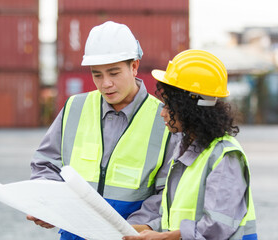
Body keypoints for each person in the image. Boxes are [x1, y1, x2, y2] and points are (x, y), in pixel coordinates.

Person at [27, 21, 172, 240]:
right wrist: (50, 206)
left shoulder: (164, 119)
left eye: (114, 73)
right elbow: (46, 164)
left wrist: (132, 228)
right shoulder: (74, 107)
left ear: (134, 66)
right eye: (97, 75)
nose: (105, 84)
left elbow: (169, 192)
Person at [123, 49, 257, 240]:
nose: (163, 113)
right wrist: (140, 229)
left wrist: (166, 237)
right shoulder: (186, 148)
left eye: (169, 105)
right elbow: (174, 217)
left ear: (191, 109)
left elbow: (218, 227)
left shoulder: (224, 156)